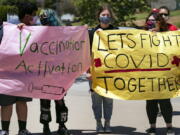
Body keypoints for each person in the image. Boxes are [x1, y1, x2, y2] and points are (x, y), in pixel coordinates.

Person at [0, 2, 38, 135]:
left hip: (24, 75)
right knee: (6, 104)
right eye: (33, 15)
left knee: (22, 102)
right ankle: (4, 130)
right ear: (27, 16)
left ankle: (22, 129)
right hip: (6, 76)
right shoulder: (8, 29)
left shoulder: (36, 30)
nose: (35, 18)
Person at [144, 9, 175, 135]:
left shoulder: (168, 35)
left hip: (164, 73)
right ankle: (152, 126)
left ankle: (169, 126)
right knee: (150, 102)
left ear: (159, 22)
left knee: (165, 101)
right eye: (149, 21)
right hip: (149, 74)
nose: (152, 23)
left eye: (154, 21)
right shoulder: (142, 36)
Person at [88, 4, 118, 134]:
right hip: (95, 72)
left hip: (111, 72)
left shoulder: (116, 32)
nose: (105, 17)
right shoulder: (91, 33)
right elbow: (86, 53)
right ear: (98, 17)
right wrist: (87, 72)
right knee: (96, 100)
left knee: (108, 99)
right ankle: (98, 123)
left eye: (107, 15)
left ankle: (108, 123)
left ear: (111, 17)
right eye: (103, 15)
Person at [39, 9, 69, 135]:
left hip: (59, 74)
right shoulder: (38, 33)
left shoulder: (61, 33)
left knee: (59, 100)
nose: (43, 20)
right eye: (42, 18)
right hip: (43, 74)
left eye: (45, 18)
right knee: (45, 102)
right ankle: (45, 126)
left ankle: (62, 125)